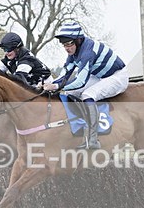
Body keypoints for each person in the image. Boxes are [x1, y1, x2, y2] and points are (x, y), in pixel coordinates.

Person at [43, 21, 128, 149]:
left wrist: (56, 87)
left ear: (78, 40)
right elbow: (64, 75)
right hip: (99, 76)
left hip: (116, 76)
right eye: (64, 45)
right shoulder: (73, 53)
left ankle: (93, 139)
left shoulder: (88, 51)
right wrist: (48, 85)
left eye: (69, 44)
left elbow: (81, 81)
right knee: (70, 93)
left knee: (88, 94)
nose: (66, 48)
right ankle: (80, 128)